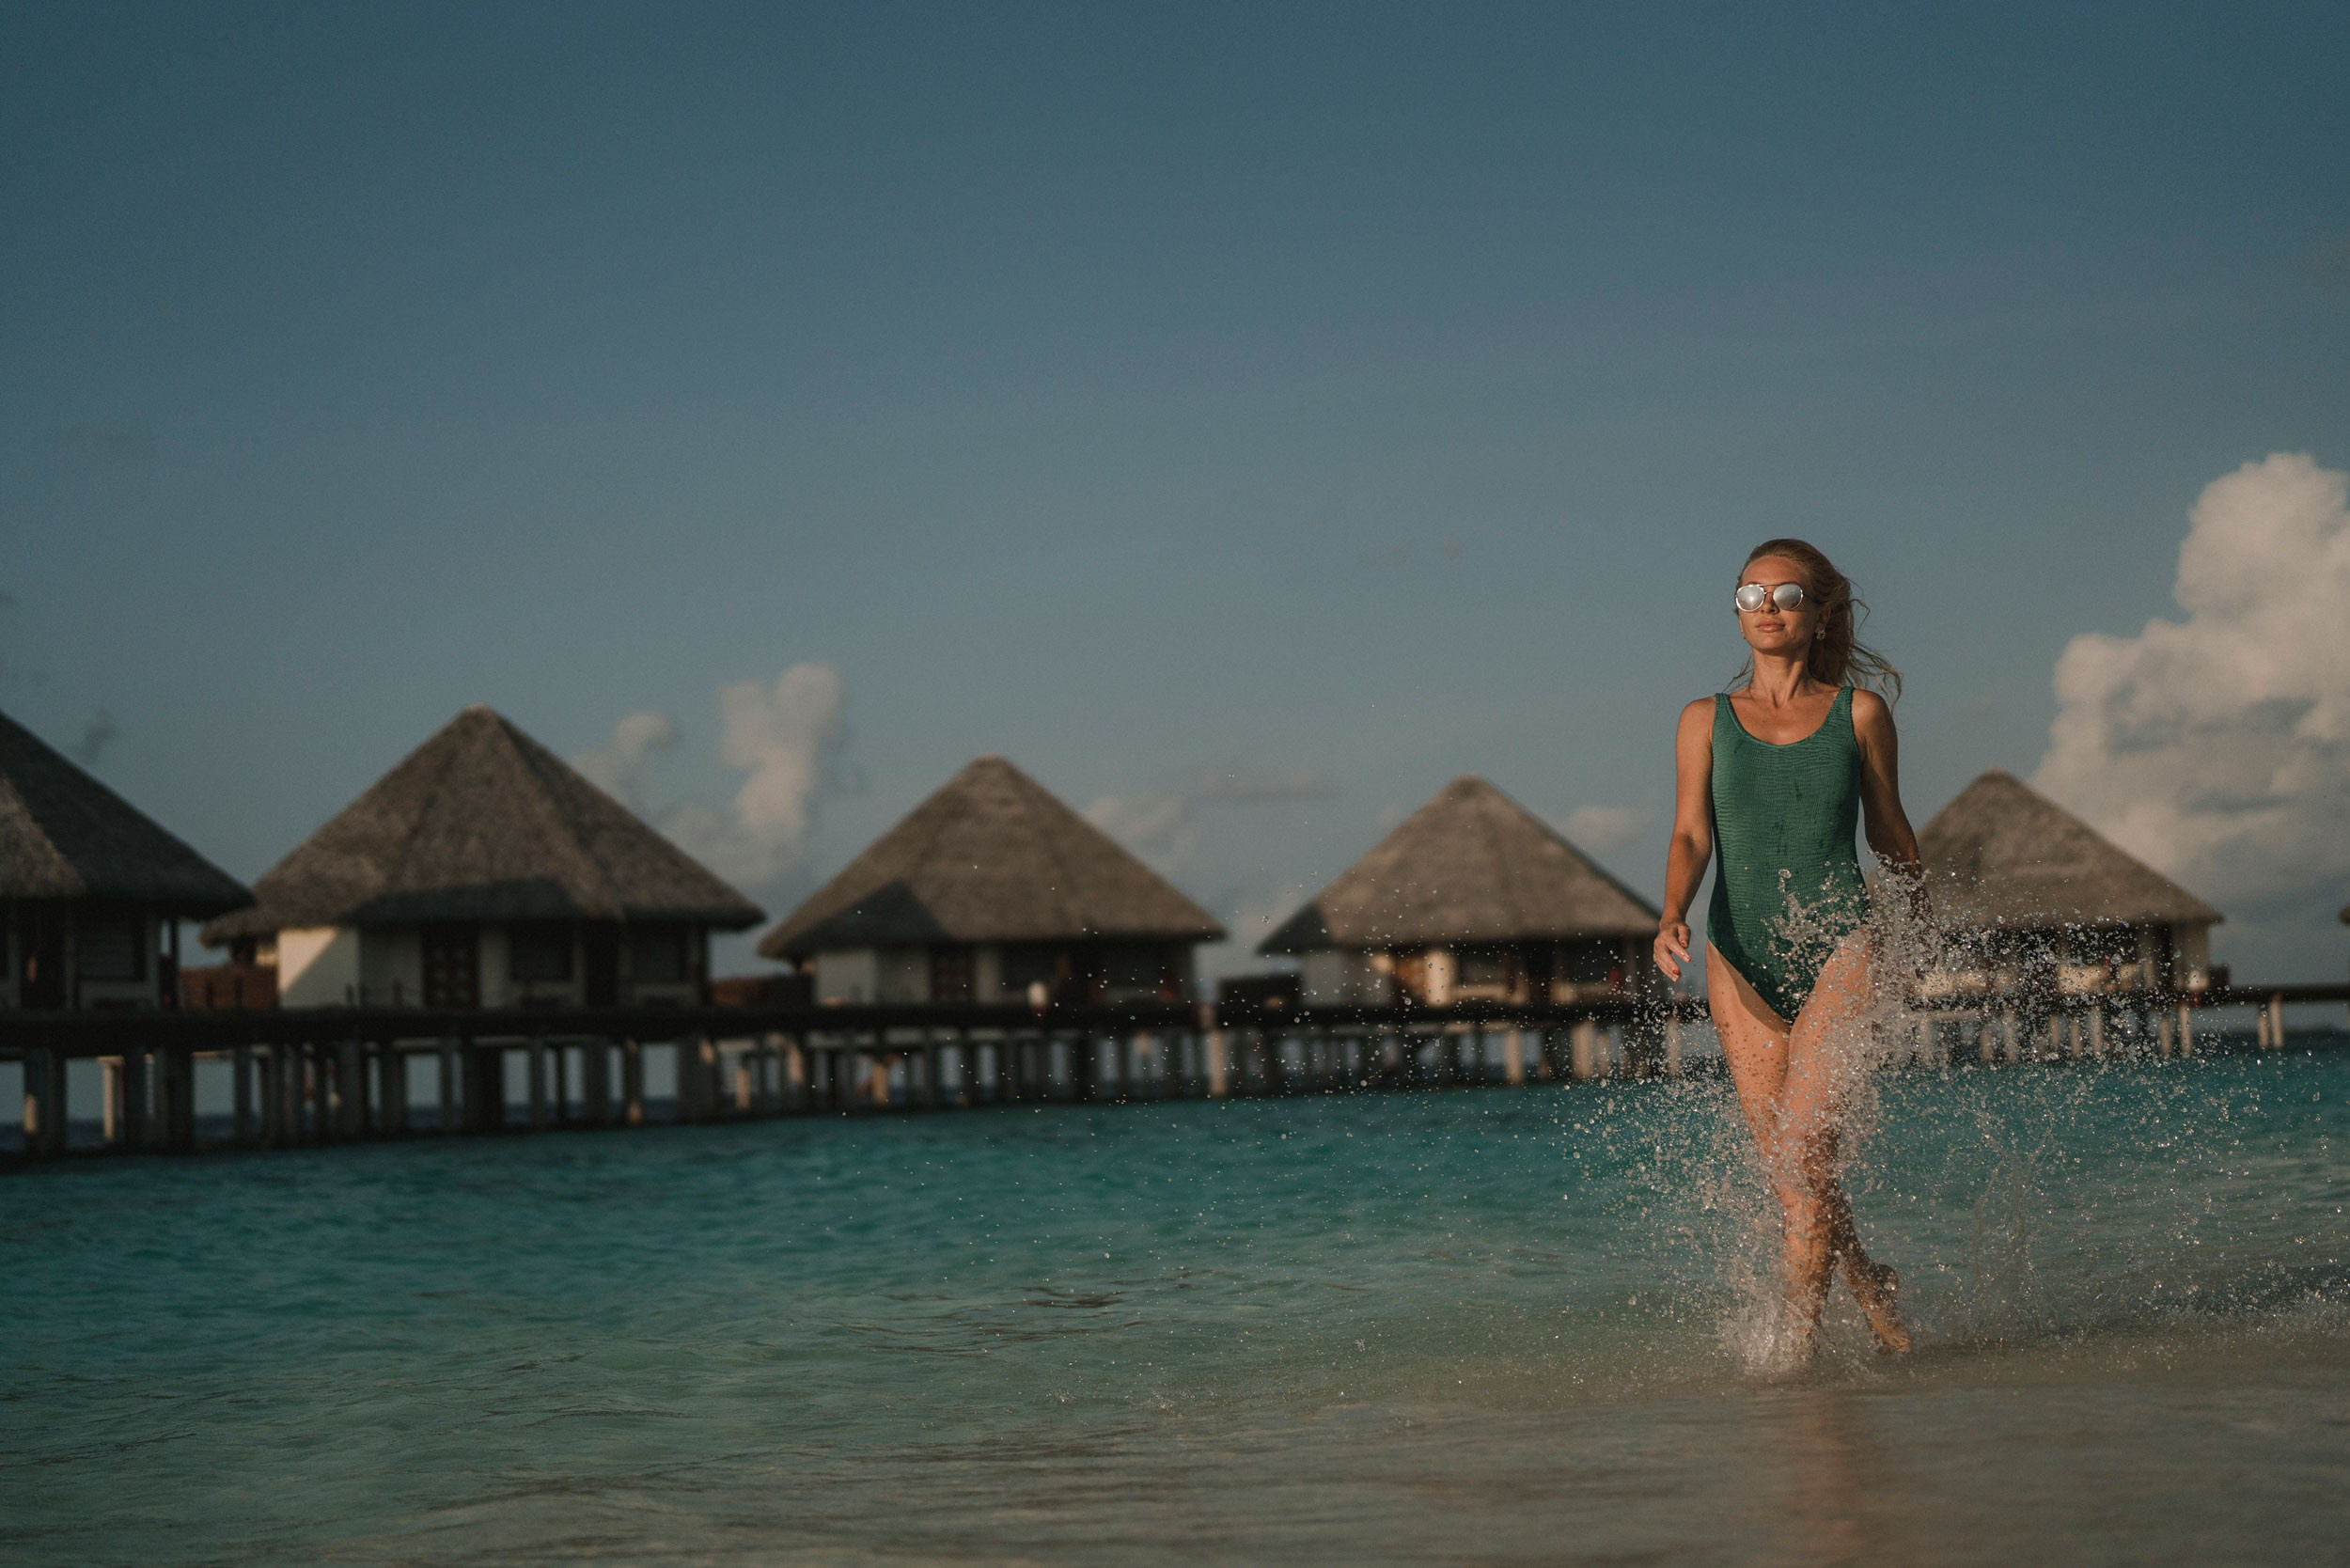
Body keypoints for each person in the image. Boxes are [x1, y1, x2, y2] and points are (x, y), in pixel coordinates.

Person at [1653, 539, 1921, 1359]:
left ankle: (1795, 1367)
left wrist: (1914, 933)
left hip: (1842, 945)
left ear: (1820, 613)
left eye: (1785, 594)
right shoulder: (1704, 720)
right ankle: (1870, 1284)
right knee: (1791, 1173)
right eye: (1748, 594)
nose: (1764, 608)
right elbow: (1692, 833)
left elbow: (1890, 833)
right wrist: (1671, 915)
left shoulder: (1861, 713)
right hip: (1738, 954)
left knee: (1805, 1160)